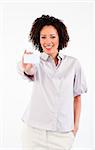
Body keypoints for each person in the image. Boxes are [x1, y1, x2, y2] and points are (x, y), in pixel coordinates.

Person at [18, 15, 87, 150]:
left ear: (60, 37)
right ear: (38, 39)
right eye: (43, 37)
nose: (48, 41)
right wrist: (26, 68)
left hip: (62, 135)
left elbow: (77, 97)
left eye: (52, 36)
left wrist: (75, 128)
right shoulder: (34, 61)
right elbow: (27, 70)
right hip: (33, 133)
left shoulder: (73, 64)